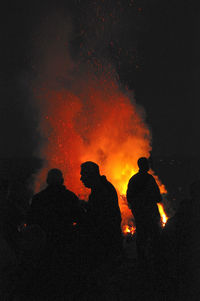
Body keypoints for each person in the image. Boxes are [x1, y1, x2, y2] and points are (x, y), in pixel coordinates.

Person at [28, 168, 83, 299]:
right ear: (62, 180)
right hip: (66, 243)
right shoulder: (70, 197)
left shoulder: (38, 199)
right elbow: (80, 218)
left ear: (47, 181)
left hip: (44, 245)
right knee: (65, 279)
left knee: (47, 280)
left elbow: (31, 221)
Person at [80, 161, 122, 268]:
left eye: (83, 175)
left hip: (106, 241)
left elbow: (99, 217)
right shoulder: (104, 187)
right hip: (110, 239)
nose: (81, 179)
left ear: (91, 175)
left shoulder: (101, 191)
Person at [126, 157, 162, 268]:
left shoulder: (133, 180)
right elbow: (157, 197)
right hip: (150, 214)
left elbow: (129, 197)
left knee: (141, 237)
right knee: (154, 236)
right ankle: (156, 260)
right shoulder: (149, 179)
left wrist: (136, 208)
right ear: (145, 165)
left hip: (140, 214)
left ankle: (142, 261)